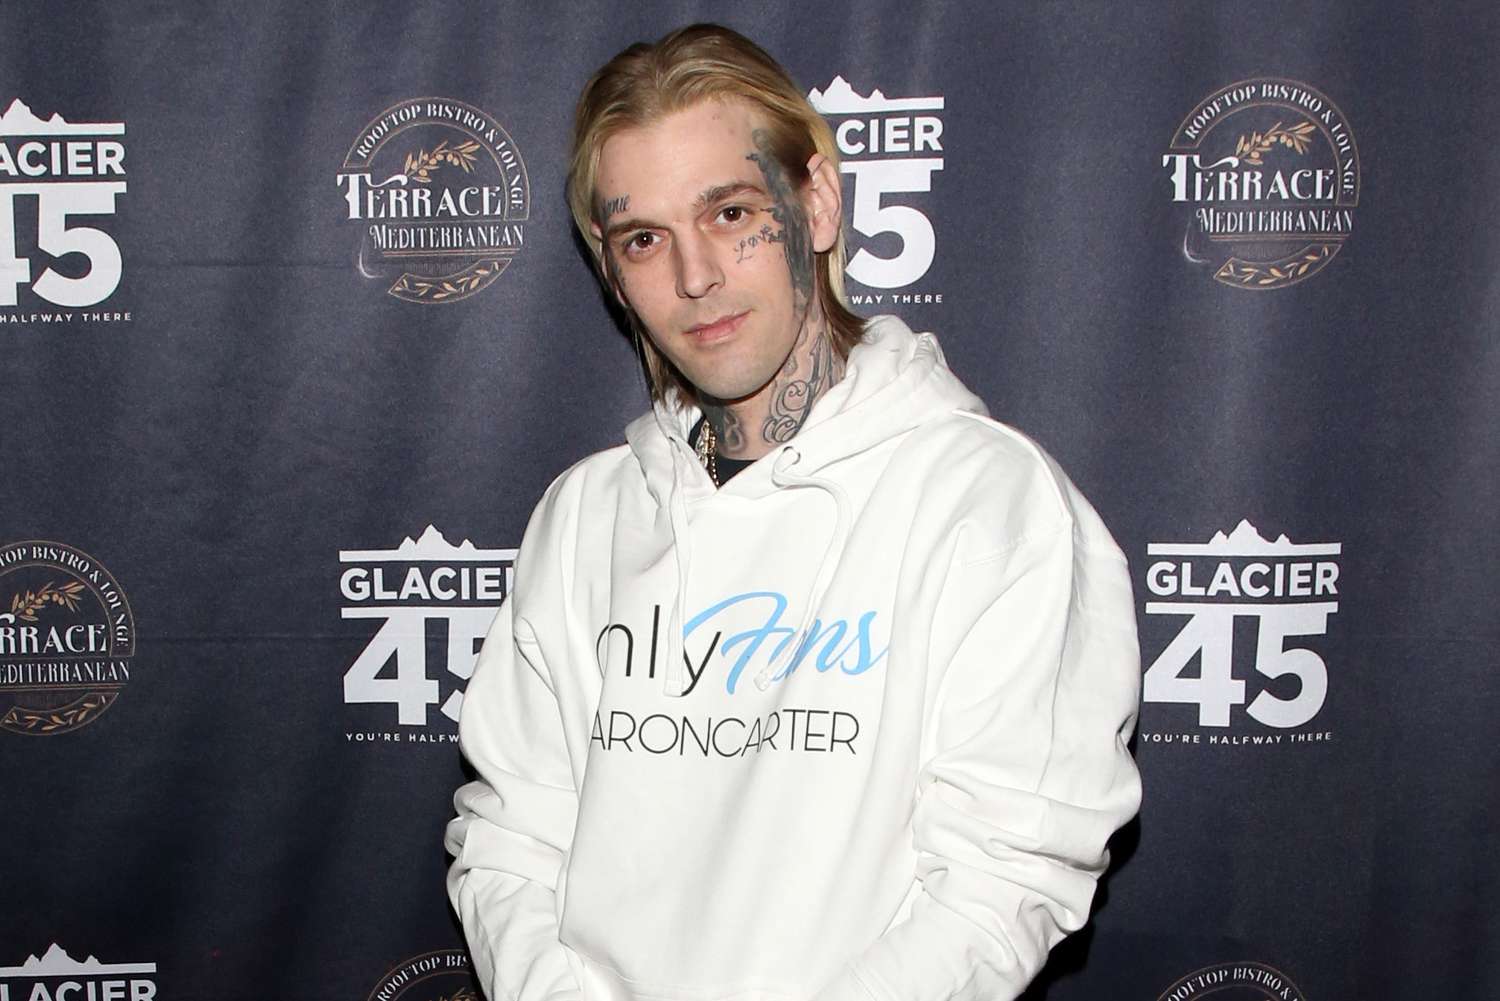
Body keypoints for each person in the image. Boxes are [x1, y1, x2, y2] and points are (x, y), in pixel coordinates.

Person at [445, 23, 1142, 1001]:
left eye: (730, 213)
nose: (695, 276)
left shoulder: (990, 505)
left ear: (814, 201)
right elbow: (511, 842)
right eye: (644, 238)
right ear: (612, 272)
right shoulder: (584, 519)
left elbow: (1004, 879)